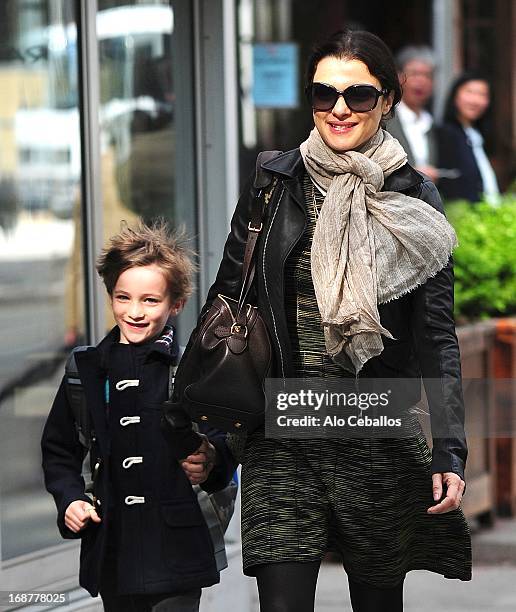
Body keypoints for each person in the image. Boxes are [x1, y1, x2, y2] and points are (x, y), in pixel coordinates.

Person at [173, 30, 472, 612]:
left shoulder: (416, 198)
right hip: (282, 433)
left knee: (377, 601)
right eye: (324, 93)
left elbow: (436, 336)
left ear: (388, 100)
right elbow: (229, 305)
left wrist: (449, 450)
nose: (339, 109)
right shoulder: (273, 184)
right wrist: (209, 431)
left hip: (377, 431)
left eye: (358, 96)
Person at [41, 220, 234, 612]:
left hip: (179, 546)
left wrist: (211, 456)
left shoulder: (193, 369)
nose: (134, 312)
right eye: (123, 297)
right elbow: (59, 449)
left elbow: (226, 439)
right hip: (114, 548)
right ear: (110, 296)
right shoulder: (86, 369)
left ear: (175, 303)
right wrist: (71, 499)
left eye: (150, 300)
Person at [437, 72, 500, 203]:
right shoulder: (445, 134)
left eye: (482, 95)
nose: (476, 100)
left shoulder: (480, 134)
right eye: (469, 92)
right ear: (455, 96)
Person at [386, 45, 439, 183]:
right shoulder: (385, 118)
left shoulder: (432, 124)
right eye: (415, 74)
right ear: (399, 77)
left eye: (427, 75)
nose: (421, 81)